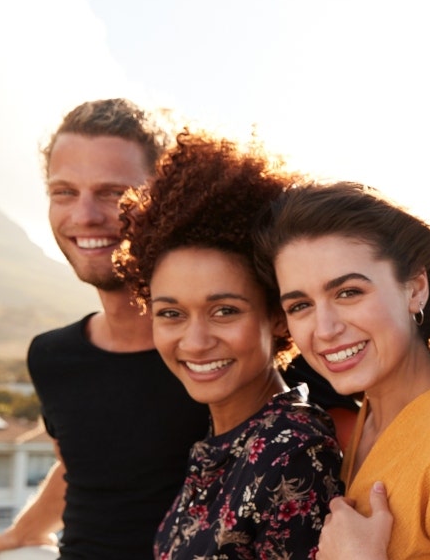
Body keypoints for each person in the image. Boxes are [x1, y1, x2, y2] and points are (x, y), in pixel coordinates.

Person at [112, 131, 342, 558]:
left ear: (276, 314)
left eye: (224, 311)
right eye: (171, 313)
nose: (195, 342)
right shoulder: (227, 438)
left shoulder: (291, 451)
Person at [4, 99, 212, 559]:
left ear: (165, 198)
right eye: (64, 192)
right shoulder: (52, 356)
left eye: (113, 193)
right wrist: (19, 536)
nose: (84, 216)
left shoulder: (228, 352)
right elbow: (82, 468)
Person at [254, 182, 430, 560]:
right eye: (300, 305)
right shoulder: (373, 415)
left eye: (348, 292)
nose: (325, 328)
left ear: (415, 289)